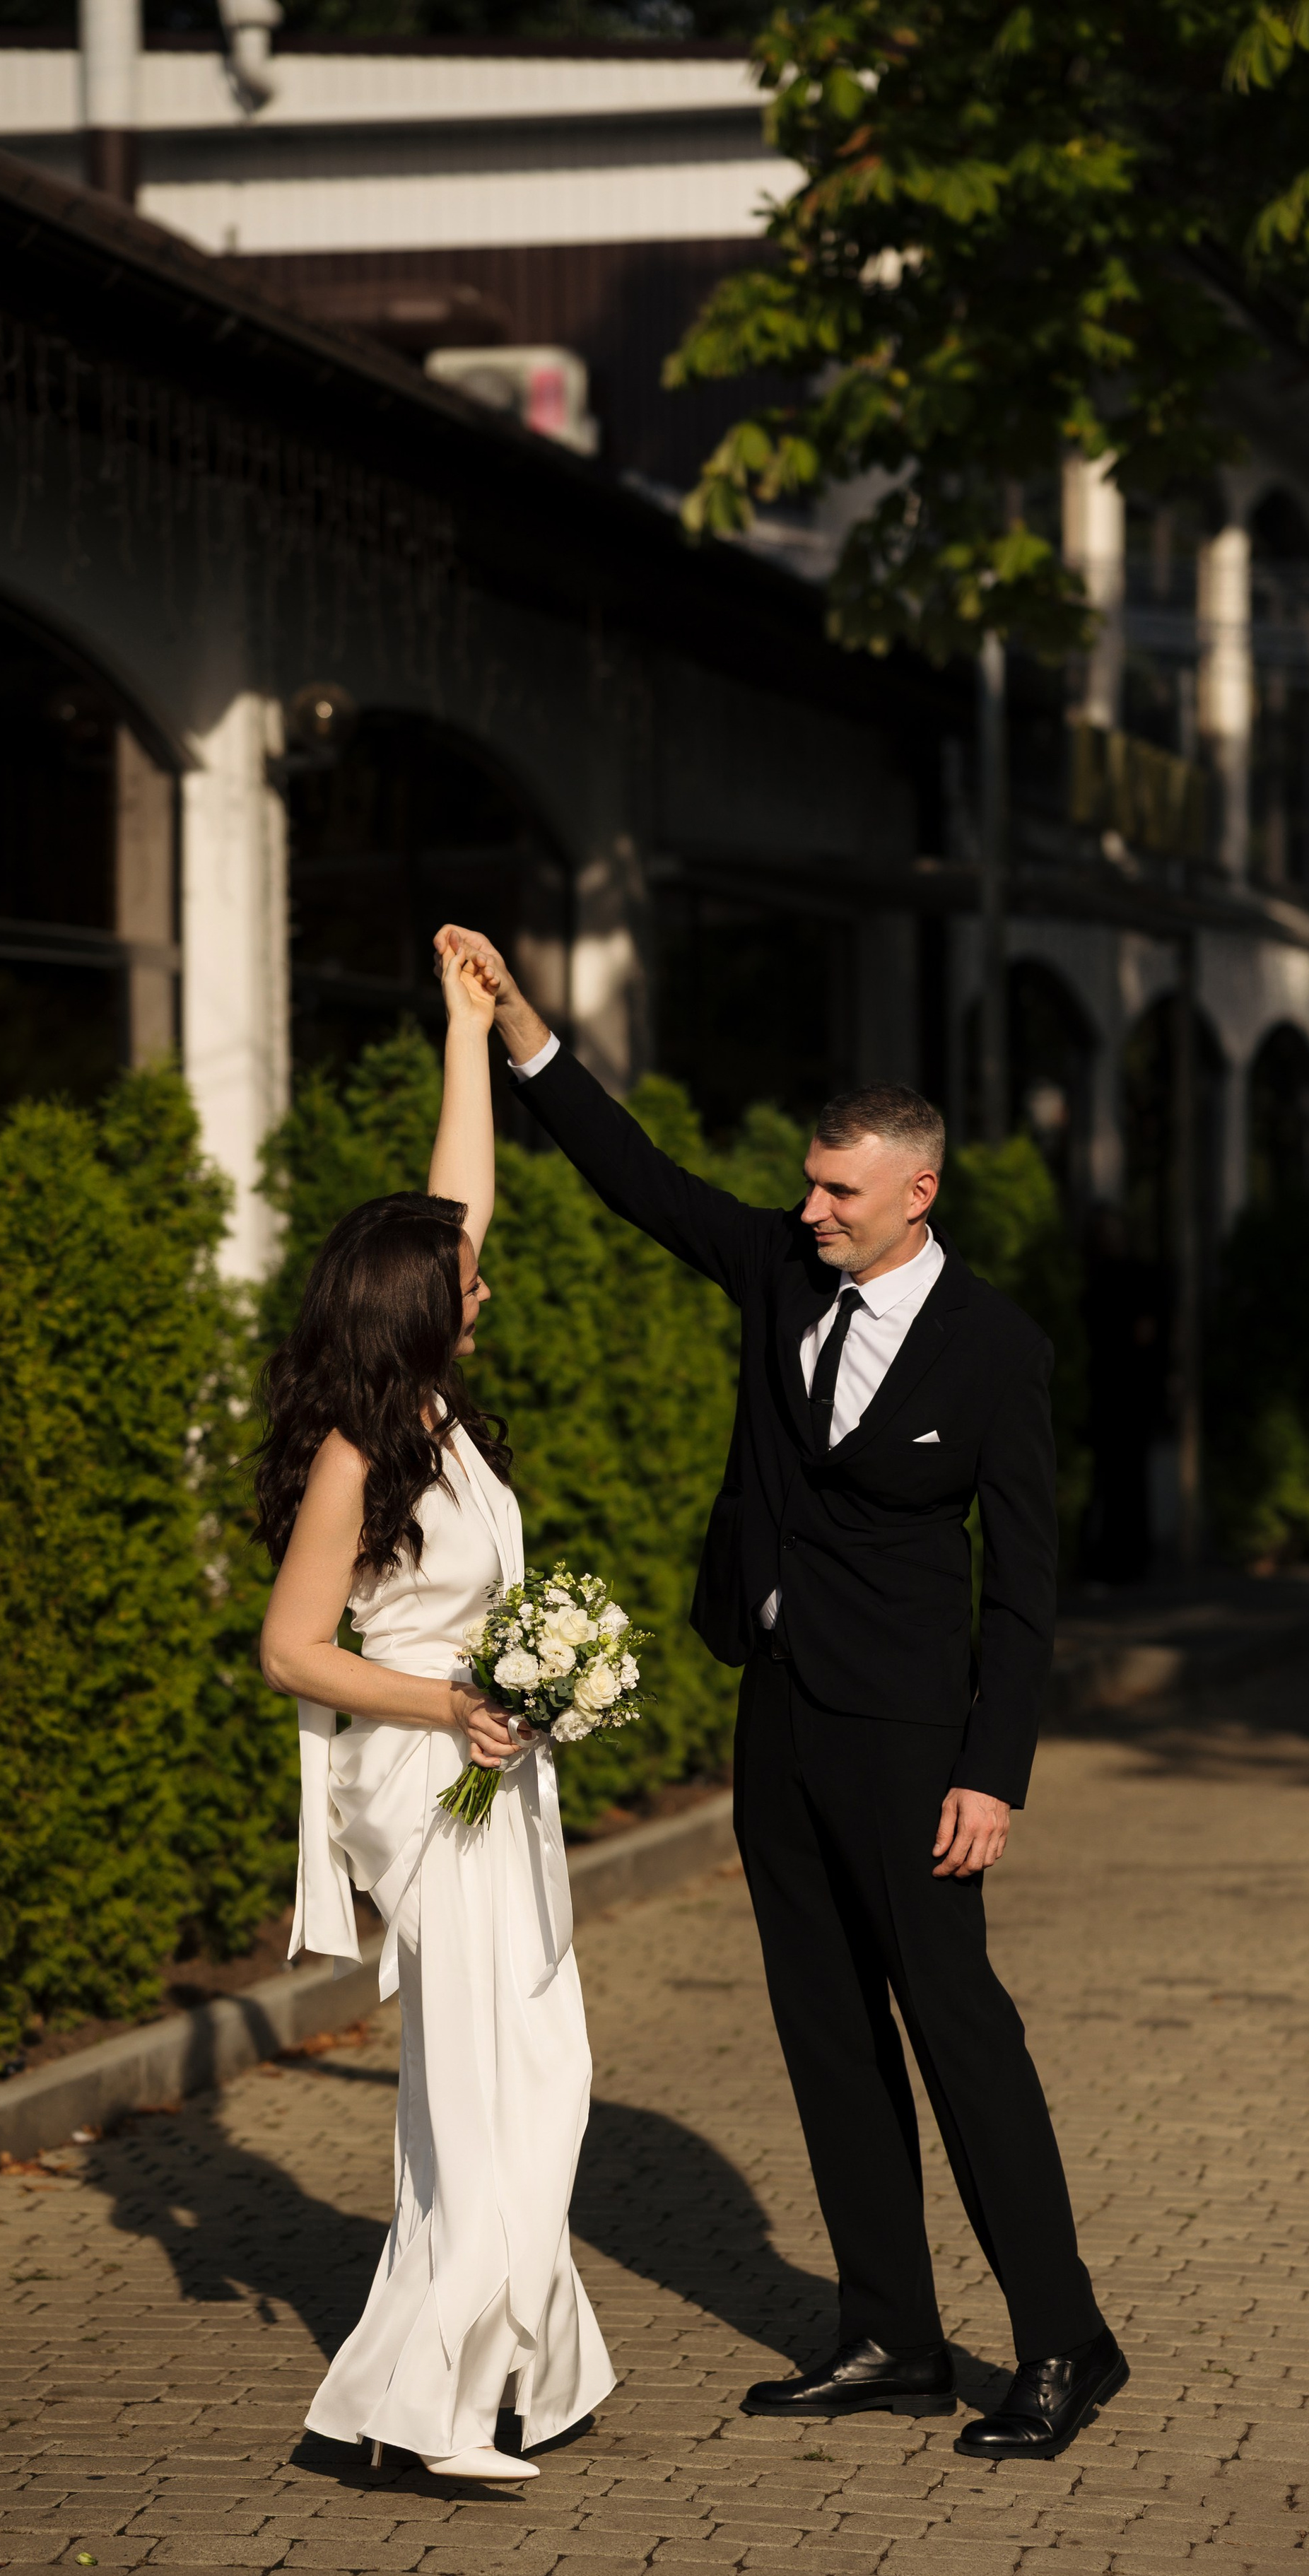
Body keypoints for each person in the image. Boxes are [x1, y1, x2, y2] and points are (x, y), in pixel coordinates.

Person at [431, 920, 1127, 2464]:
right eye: (808, 1185)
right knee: (822, 2030)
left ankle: (1064, 2338)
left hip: (912, 1742)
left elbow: (1021, 1587)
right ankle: (883, 2326)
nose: (806, 1208)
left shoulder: (994, 1350)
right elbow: (637, 1176)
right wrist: (515, 1029)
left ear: (914, 1196)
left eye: (836, 1192)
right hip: (780, 1718)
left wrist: (989, 1770)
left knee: (957, 2032)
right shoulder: (774, 1265)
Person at [254, 947, 614, 2484]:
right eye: (462, 1280)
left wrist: (466, 1031)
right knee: (497, 2088)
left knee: (534, 2073)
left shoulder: (436, 1415)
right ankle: (423, 2409)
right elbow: (288, 1649)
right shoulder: (357, 1450)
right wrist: (451, 1696)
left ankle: (514, 2365)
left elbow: (460, 1204)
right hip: (423, 1779)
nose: (484, 1276)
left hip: (491, 1766)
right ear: (414, 1310)